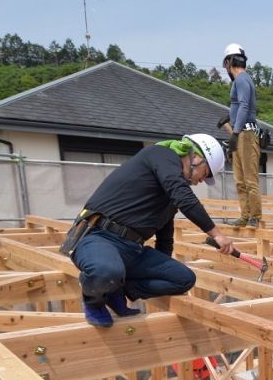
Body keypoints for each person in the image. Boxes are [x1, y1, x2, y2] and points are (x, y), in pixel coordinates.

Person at [69, 133, 235, 327]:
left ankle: (118, 290)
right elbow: (184, 198)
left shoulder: (168, 191)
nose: (200, 181)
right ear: (196, 158)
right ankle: (94, 301)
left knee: (184, 279)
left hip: (131, 249)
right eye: (205, 174)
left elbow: (165, 238)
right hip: (99, 237)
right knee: (106, 271)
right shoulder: (160, 155)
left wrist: (162, 268)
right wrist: (217, 234)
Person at [222, 43, 261, 228]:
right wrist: (229, 117)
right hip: (240, 131)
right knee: (239, 179)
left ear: (229, 62)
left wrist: (235, 132)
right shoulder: (240, 81)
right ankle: (245, 216)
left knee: (249, 179)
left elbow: (245, 106)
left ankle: (255, 217)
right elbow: (238, 106)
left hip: (245, 132)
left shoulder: (242, 79)